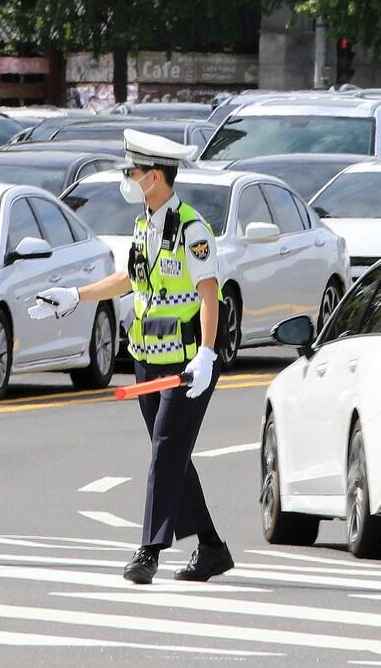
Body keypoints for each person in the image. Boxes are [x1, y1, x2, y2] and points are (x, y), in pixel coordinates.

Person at [28, 130, 231, 585]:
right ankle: (213, 548)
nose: (126, 178)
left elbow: (209, 293)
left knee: (165, 450)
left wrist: (206, 353)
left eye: (131, 172)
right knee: (172, 454)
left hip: (186, 365)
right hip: (146, 356)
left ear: (154, 177)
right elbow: (131, 280)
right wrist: (75, 295)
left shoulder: (192, 228)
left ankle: (149, 550)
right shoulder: (143, 225)